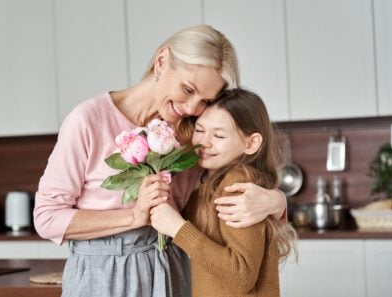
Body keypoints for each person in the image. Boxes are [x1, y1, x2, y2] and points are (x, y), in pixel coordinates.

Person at [34, 24, 287, 297]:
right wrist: (133, 216)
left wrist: (278, 201)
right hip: (103, 271)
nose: (192, 108)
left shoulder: (194, 131)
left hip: (171, 263)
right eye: (188, 89)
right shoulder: (88, 120)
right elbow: (47, 218)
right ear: (162, 61)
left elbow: (222, 187)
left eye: (205, 100)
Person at [150, 88, 298, 297]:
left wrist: (178, 228)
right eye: (200, 130)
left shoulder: (237, 185)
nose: (204, 142)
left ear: (251, 143)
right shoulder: (205, 178)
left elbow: (241, 276)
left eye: (219, 135)